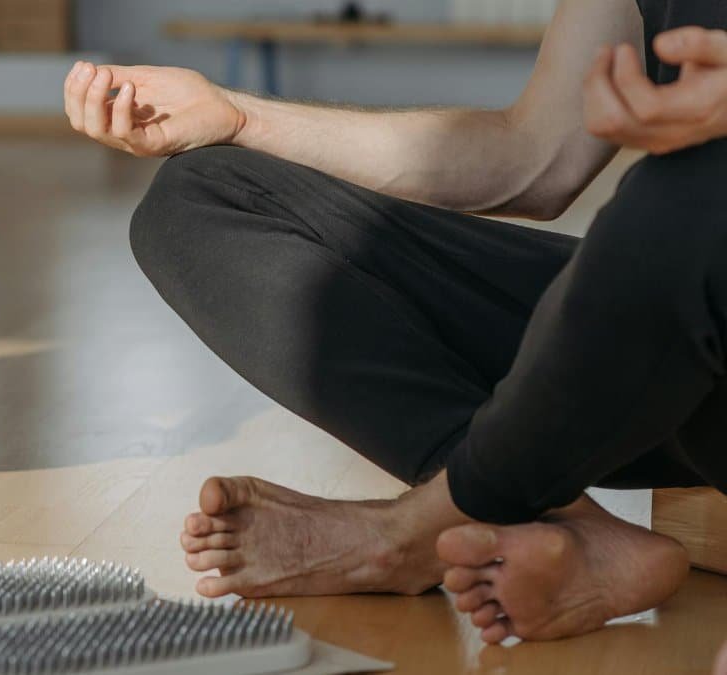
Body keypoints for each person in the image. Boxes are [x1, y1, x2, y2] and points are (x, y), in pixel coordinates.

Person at [67, 0, 727, 645]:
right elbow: (533, 158)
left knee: (686, 200)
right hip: (660, 332)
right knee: (201, 198)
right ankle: (544, 514)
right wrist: (238, 116)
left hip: (689, 272)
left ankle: (412, 533)